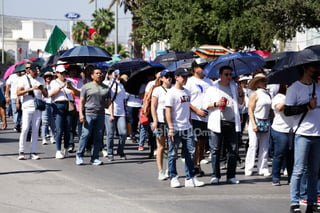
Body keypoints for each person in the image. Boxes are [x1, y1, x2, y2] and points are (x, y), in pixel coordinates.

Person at [284, 63, 320, 213]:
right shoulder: (294, 88)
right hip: (302, 134)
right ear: (305, 69)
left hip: (317, 134)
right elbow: (287, 111)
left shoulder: (317, 87)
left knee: (314, 171)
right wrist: (306, 106)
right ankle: (295, 202)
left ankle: (311, 202)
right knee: (299, 169)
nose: (316, 70)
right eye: (313, 68)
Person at [165, 68, 204, 188]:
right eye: (183, 77)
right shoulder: (171, 92)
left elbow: (187, 110)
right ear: (176, 77)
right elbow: (168, 111)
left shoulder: (187, 92)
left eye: (186, 77)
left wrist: (191, 124)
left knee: (190, 153)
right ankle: (173, 177)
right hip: (175, 127)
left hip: (187, 127)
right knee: (172, 153)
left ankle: (190, 177)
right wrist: (171, 127)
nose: (185, 79)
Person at [203, 65, 243, 184]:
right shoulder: (213, 87)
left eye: (231, 74)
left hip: (232, 121)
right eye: (226, 74)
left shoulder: (234, 86)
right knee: (215, 149)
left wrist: (241, 94)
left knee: (233, 149)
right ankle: (216, 175)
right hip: (217, 121)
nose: (229, 77)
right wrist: (216, 103)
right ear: (220, 75)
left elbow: (241, 105)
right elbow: (205, 105)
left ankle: (231, 175)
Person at [185, 58, 213, 177]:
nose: (204, 69)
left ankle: (198, 164)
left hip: (207, 116)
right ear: (195, 69)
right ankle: (192, 165)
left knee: (203, 142)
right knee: (195, 142)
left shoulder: (209, 82)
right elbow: (186, 99)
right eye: (202, 67)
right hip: (194, 116)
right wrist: (196, 110)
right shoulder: (189, 82)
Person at [76, 67, 109, 166]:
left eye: (101, 73)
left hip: (101, 114)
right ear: (92, 76)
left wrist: (110, 109)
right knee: (85, 134)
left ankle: (94, 158)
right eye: (97, 73)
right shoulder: (86, 87)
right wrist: (81, 114)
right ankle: (79, 155)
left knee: (98, 136)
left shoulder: (106, 88)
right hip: (88, 113)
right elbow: (81, 101)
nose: (99, 75)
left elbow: (108, 102)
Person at [16, 63, 48, 160]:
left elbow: (46, 95)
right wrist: (30, 89)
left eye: (37, 72)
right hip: (27, 106)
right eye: (34, 72)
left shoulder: (41, 79)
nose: (36, 74)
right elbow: (18, 92)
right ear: (29, 70)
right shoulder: (23, 79)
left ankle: (33, 152)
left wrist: (42, 89)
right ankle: (21, 151)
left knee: (35, 129)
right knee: (25, 128)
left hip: (37, 107)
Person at [49, 65, 80, 159]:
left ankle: (66, 148)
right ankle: (58, 150)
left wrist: (72, 88)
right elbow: (51, 94)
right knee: (59, 129)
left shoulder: (69, 82)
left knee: (68, 128)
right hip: (58, 104)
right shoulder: (54, 82)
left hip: (69, 104)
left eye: (64, 73)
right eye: (61, 73)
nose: (63, 75)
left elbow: (77, 93)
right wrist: (60, 88)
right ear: (57, 73)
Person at [244, 73, 272, 177]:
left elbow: (270, 110)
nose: (265, 83)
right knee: (253, 145)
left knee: (265, 146)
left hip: (266, 121)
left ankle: (263, 167)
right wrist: (253, 124)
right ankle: (249, 168)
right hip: (255, 120)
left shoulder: (268, 94)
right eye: (262, 81)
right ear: (257, 83)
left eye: (265, 81)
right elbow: (250, 110)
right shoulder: (255, 94)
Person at [150, 69, 172, 180]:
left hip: (172, 121)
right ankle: (160, 171)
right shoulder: (157, 90)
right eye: (167, 76)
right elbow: (153, 106)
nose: (169, 78)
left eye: (170, 76)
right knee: (161, 146)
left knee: (171, 147)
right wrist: (155, 120)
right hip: (161, 120)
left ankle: (170, 169)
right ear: (162, 78)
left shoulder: (174, 89)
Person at [270, 84, 293, 186]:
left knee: (291, 155)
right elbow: (279, 108)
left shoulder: (295, 96)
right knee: (279, 153)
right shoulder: (279, 97)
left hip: (293, 129)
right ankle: (275, 177)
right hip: (280, 129)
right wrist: (288, 98)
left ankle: (291, 177)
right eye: (289, 85)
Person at [103, 68, 128, 161]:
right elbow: (106, 92)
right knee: (110, 134)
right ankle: (110, 152)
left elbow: (124, 98)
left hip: (121, 112)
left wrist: (126, 111)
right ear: (109, 75)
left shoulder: (121, 85)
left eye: (118, 73)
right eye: (114, 73)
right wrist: (112, 80)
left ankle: (120, 150)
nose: (117, 75)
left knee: (123, 133)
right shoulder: (106, 83)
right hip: (109, 112)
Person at [5, 63, 26, 132]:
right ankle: (17, 124)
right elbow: (7, 87)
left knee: (22, 111)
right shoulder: (12, 77)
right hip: (14, 96)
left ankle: (21, 124)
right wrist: (7, 96)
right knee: (16, 111)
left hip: (22, 96)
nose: (19, 72)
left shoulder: (24, 77)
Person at [41, 71, 56, 145]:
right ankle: (44, 138)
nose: (48, 78)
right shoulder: (42, 85)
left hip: (53, 103)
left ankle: (52, 137)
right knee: (45, 122)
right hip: (45, 103)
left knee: (52, 122)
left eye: (50, 76)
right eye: (47, 77)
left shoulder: (54, 85)